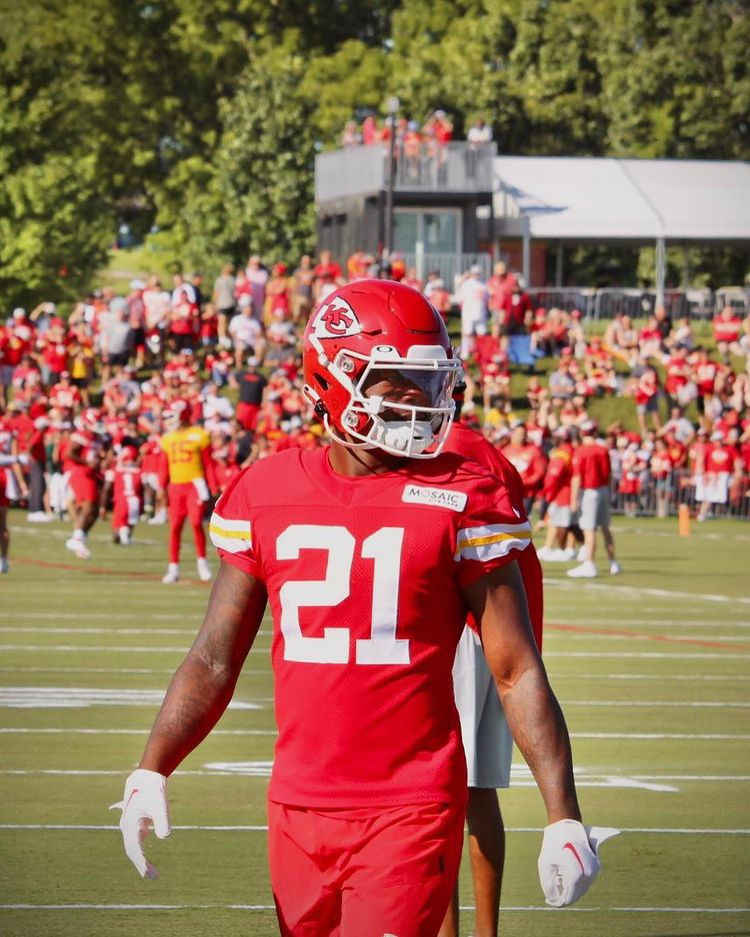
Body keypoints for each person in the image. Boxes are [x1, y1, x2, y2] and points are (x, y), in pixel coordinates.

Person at [112, 281, 611, 935]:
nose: (417, 398)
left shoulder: (467, 497)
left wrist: (562, 810)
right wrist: (152, 765)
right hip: (297, 804)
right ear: (333, 375)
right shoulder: (265, 489)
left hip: (411, 802)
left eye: (426, 379)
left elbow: (516, 668)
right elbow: (213, 655)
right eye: (395, 378)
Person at [439, 396, 544, 937]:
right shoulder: (488, 453)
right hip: (494, 631)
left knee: (438, 790)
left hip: (456, 625)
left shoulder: (443, 452)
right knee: (478, 791)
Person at [158, 399, 216, 584]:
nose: (168, 419)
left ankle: (202, 563)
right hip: (175, 486)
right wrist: (161, 487)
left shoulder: (199, 435)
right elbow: (163, 466)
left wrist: (213, 487)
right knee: (174, 527)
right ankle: (173, 567)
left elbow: (208, 464)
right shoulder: (167, 438)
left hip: (195, 485)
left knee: (197, 523)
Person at [567, 420, 621, 578]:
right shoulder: (602, 450)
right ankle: (613, 562)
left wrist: (573, 499)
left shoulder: (581, 451)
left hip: (589, 491)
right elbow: (609, 474)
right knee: (605, 528)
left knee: (589, 529)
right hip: (603, 489)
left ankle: (589, 563)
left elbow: (577, 477)